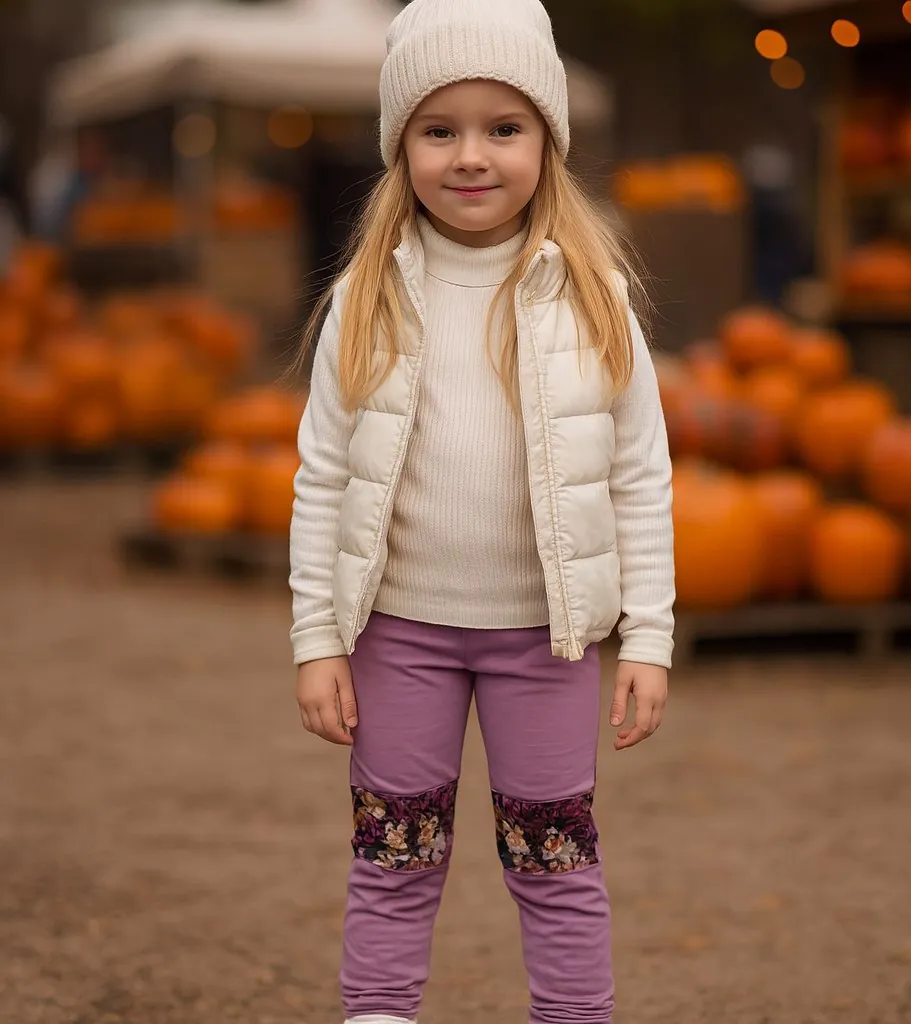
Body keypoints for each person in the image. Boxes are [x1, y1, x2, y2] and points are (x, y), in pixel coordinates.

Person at [287, 0, 676, 1021]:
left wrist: (648, 634)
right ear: (398, 146)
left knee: (554, 864)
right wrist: (317, 636)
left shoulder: (591, 296)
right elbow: (321, 475)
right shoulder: (367, 298)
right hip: (400, 633)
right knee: (394, 859)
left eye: (502, 128)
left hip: (544, 643)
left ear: (546, 141)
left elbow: (640, 475)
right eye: (438, 128)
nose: (471, 155)